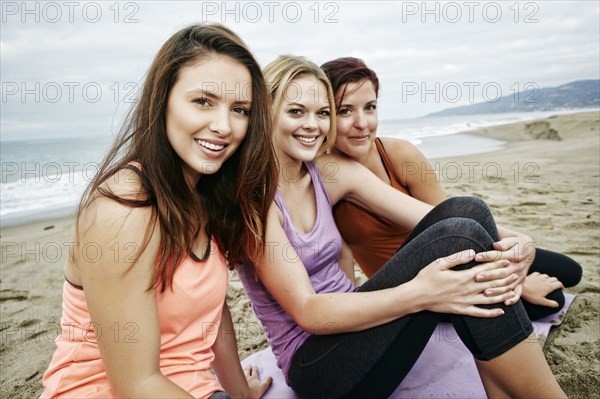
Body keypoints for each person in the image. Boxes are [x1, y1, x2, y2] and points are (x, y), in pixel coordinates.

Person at [236, 55, 567, 398]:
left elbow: (431, 216)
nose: (313, 125)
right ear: (266, 111)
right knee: (460, 234)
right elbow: (309, 312)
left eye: (322, 113)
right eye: (296, 111)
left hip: (365, 325)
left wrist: (520, 242)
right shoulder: (254, 202)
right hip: (318, 365)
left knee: (468, 210)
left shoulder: (328, 173)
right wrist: (423, 292)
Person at [40, 24, 275, 399]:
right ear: (162, 100)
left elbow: (213, 314)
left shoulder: (203, 192)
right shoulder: (122, 210)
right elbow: (137, 385)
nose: (223, 126)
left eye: (240, 110)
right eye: (203, 101)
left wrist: (242, 393)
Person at [321, 56, 582, 321]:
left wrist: (514, 262)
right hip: (413, 284)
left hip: (451, 252)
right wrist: (517, 283)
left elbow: (447, 222)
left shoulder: (398, 154)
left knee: (569, 270)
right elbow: (338, 258)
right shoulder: (328, 177)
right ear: (325, 115)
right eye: (345, 110)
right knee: (551, 301)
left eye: (370, 107)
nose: (362, 123)